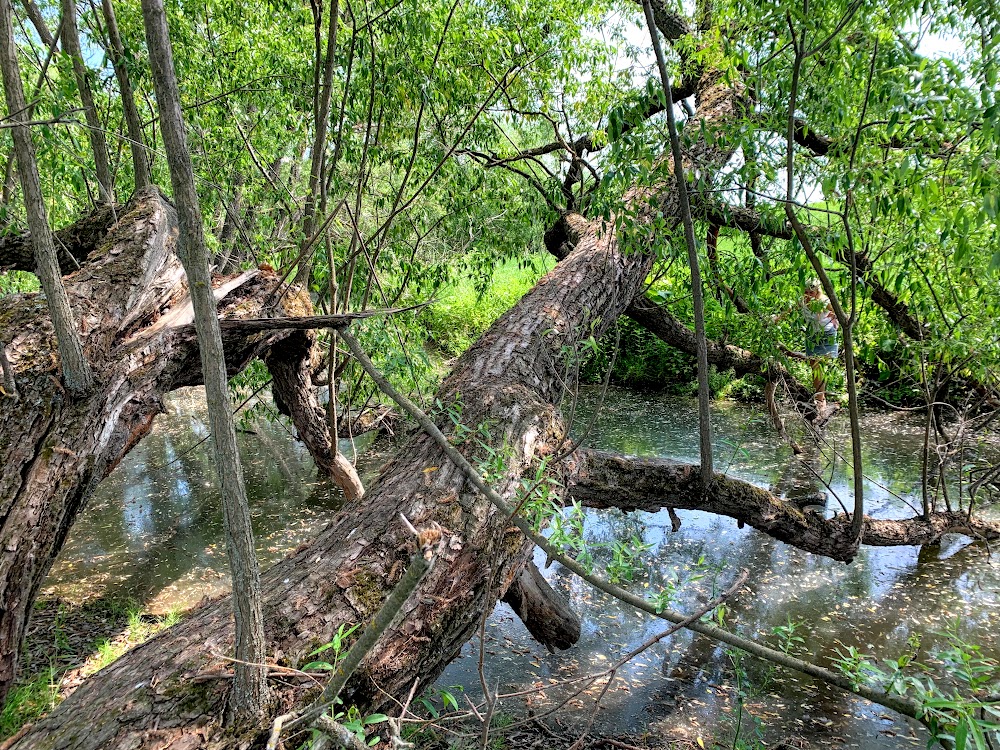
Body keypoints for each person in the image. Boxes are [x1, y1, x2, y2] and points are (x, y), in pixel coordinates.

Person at [774, 279, 839, 417]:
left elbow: (838, 312)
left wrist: (835, 321)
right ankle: (819, 396)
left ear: (817, 291)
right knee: (813, 365)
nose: (808, 295)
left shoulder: (824, 301)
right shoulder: (802, 300)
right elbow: (789, 311)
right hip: (811, 334)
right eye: (806, 292)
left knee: (818, 366)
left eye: (811, 292)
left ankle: (821, 400)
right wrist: (776, 320)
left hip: (825, 334)